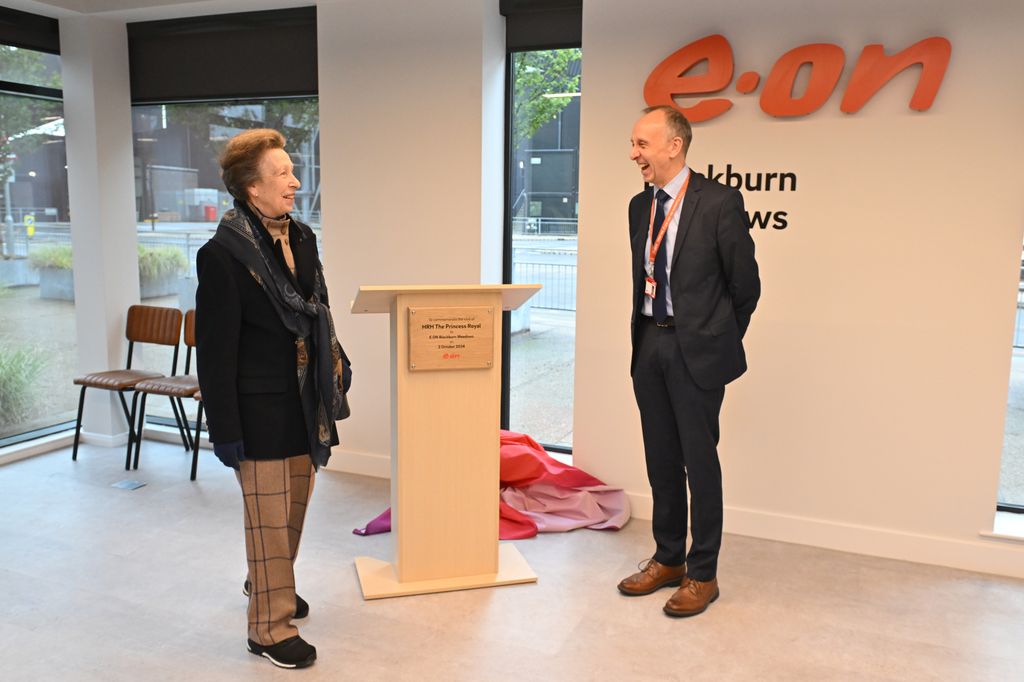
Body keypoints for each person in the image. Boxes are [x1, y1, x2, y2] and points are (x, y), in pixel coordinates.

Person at [195, 128, 351, 668]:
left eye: (291, 170)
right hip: (255, 408)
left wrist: (338, 362)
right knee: (266, 514)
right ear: (251, 188)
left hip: (303, 402)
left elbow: (318, 309)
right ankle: (268, 627)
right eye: (281, 173)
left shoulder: (302, 237)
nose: (294, 181)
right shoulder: (222, 256)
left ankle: (267, 580)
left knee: (290, 513)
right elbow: (215, 352)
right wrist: (225, 430)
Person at [617, 106, 759, 617]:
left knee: (700, 463)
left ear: (674, 146)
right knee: (660, 459)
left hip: (696, 351)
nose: (634, 154)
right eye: (633, 145)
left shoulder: (720, 202)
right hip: (649, 343)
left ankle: (703, 574)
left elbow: (746, 287)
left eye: (642, 144)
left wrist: (715, 339)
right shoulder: (639, 207)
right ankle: (668, 559)